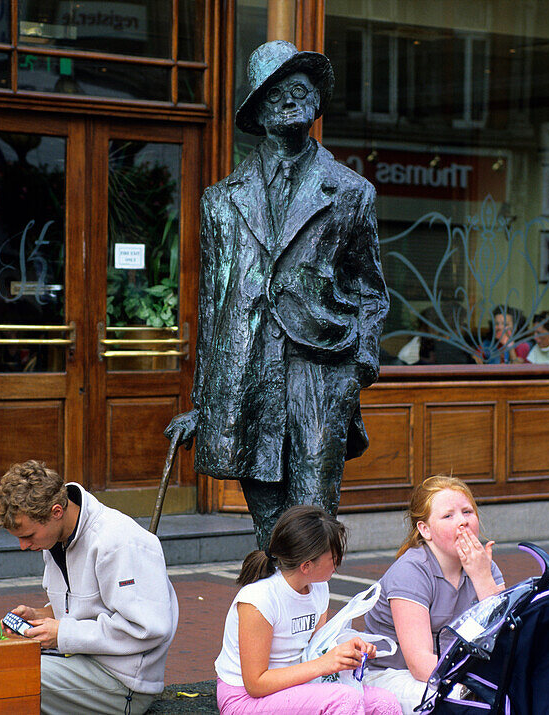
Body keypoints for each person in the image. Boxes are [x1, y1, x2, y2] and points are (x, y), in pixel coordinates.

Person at [165, 40, 388, 549]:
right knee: (269, 529)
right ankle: (279, 623)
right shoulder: (221, 200)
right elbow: (212, 305)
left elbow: (372, 291)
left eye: (299, 90)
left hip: (322, 369)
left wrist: (358, 369)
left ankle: (309, 622)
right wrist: (204, 401)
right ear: (258, 111)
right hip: (245, 374)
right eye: (273, 93)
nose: (288, 101)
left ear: (315, 104)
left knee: (312, 521)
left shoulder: (350, 191)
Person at [0, 460, 178, 715]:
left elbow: (148, 628)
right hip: (79, 663)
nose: (23, 546)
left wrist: (62, 634)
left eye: (28, 536)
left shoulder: (119, 541)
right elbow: (83, 608)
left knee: (5, 678)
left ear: (56, 511)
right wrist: (42, 616)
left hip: (124, 683)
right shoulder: (55, 536)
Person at [214, 505, 401, 715]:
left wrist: (346, 649)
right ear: (306, 566)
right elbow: (256, 684)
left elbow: (315, 650)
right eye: (333, 557)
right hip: (244, 699)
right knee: (344, 699)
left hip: (295, 687)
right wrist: (324, 664)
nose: (338, 562)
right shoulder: (258, 600)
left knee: (385, 701)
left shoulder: (318, 588)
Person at [362, 476, 504, 715]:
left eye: (467, 512)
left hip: (458, 669)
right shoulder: (411, 571)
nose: (462, 522)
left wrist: (482, 580)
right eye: (448, 516)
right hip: (393, 674)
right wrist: (473, 686)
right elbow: (420, 665)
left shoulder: (484, 566)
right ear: (424, 529)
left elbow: (501, 640)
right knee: (464, 701)